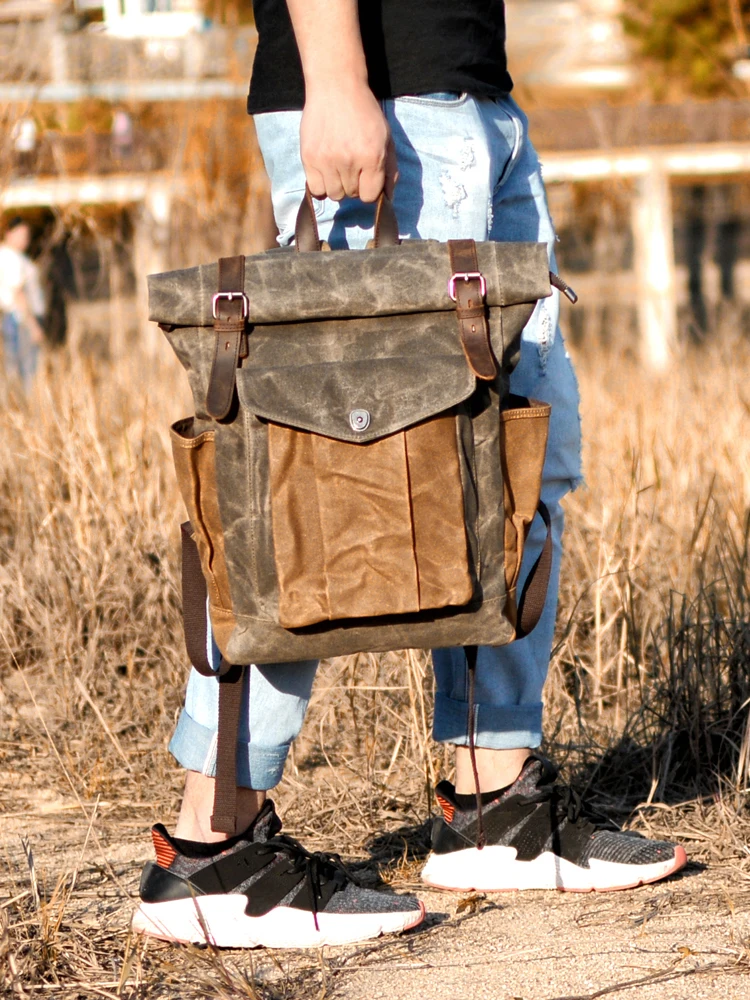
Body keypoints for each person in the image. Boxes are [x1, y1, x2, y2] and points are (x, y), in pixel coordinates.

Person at [133, 0, 687, 949]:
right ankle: (210, 847)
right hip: (386, 101)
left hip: (474, 103)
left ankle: (492, 803)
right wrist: (338, 79)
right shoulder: (358, 91)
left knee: (511, 465)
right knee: (310, 483)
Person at [0, 217, 45, 393]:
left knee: (15, 369)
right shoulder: (11, 258)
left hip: (15, 319)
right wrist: (33, 326)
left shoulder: (8, 256)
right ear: (9, 233)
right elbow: (18, 294)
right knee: (26, 371)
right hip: (21, 320)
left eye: (27, 235)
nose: (25, 239)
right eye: (22, 234)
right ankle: (25, 410)